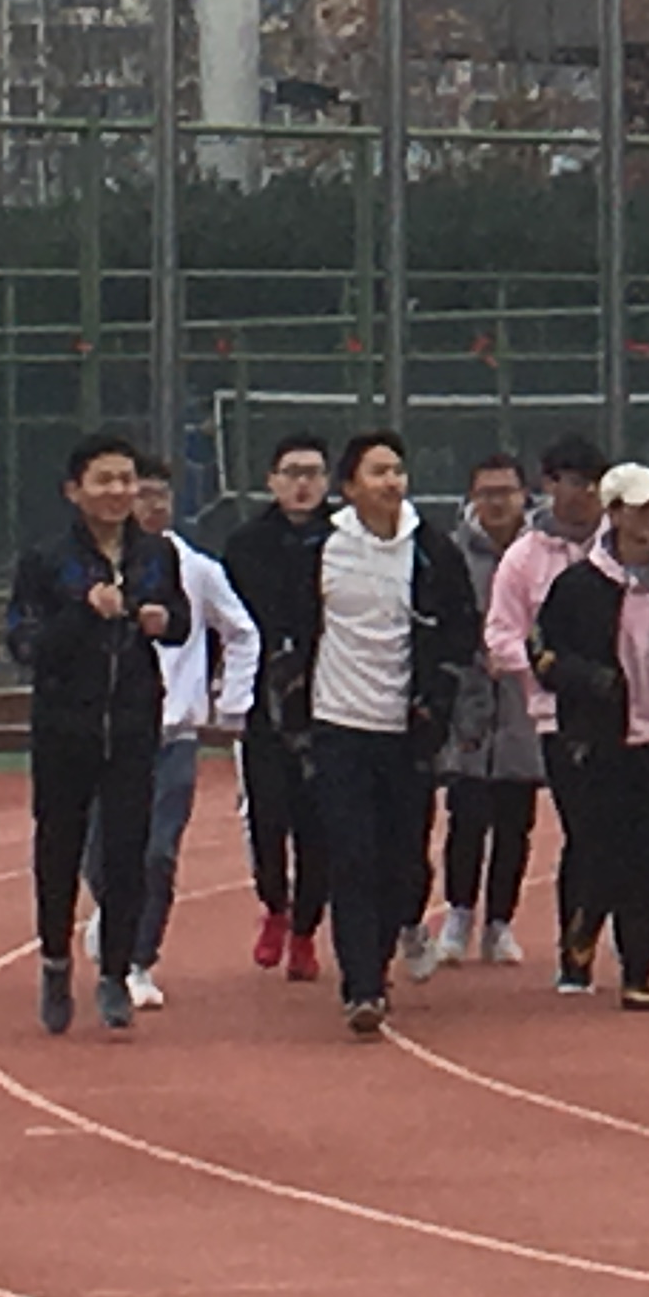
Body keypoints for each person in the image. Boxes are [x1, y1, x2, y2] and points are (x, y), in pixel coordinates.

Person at [277, 428, 483, 1036]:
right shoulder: (320, 548)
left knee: (404, 862)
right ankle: (362, 984)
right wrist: (294, 707)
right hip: (338, 726)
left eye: (397, 470)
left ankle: (390, 941)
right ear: (349, 487)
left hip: (407, 730)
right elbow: (292, 629)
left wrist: (436, 699)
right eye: (377, 472)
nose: (391, 482)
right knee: (351, 856)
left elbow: (459, 630)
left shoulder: (431, 551)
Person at [4, 431, 191, 1036]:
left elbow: (181, 623)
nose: (117, 491)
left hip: (134, 722)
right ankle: (55, 961)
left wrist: (164, 621)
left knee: (128, 851)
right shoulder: (47, 560)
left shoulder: (155, 554)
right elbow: (25, 643)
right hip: (66, 725)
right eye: (104, 480)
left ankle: (115, 971)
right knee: (59, 848)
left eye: (126, 480)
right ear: (74, 490)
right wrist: (83, 612)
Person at [528, 460, 649, 1009]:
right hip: (599, 741)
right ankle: (579, 939)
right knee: (598, 850)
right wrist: (593, 680)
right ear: (613, 514)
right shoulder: (577, 587)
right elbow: (546, 660)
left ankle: (638, 968)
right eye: (638, 508)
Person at [78, 459, 253, 1012]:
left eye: (160, 495)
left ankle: (137, 960)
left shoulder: (197, 570)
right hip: (107, 731)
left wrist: (232, 703)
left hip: (173, 735)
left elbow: (242, 632)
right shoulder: (90, 566)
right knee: (98, 850)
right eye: (142, 493)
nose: (151, 504)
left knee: (157, 852)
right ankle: (114, 911)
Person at [481, 430, 612, 984]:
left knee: (634, 836)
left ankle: (626, 939)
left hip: (631, 715)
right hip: (559, 716)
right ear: (549, 485)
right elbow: (500, 633)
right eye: (573, 482)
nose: (584, 493)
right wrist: (540, 665)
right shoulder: (525, 558)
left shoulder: (633, 541)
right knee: (587, 832)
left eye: (593, 482)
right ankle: (575, 952)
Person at [217, 428, 338, 983]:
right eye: (292, 473)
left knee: (319, 824)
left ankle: (307, 930)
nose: (302, 484)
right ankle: (275, 906)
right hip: (263, 704)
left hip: (331, 700)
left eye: (312, 473)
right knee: (267, 817)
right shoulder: (246, 545)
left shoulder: (344, 539)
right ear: (271, 481)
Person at [428, 449, 550, 972]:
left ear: (525, 496)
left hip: (524, 700)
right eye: (486, 493)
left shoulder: (542, 552)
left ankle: (501, 922)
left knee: (515, 819)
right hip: (471, 703)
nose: (497, 502)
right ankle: (458, 915)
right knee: (467, 813)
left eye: (506, 492)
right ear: (471, 499)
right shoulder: (453, 554)